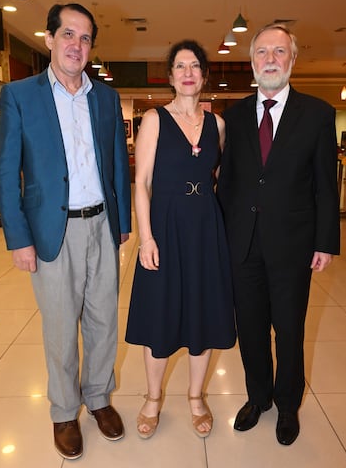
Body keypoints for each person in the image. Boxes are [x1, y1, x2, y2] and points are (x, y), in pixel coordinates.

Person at [0, 3, 131, 459]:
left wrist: (123, 224)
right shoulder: (19, 95)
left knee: (103, 322)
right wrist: (18, 238)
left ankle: (98, 398)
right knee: (59, 328)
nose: (76, 44)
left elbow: (116, 166)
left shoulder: (105, 98)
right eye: (68, 34)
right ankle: (63, 411)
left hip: (101, 225)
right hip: (51, 231)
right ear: (49, 38)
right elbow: (9, 168)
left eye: (85, 37)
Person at [217, 23, 340, 446]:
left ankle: (287, 405)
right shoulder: (231, 118)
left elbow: (326, 184)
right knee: (250, 328)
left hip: (294, 245)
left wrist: (326, 241)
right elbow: (227, 182)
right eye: (263, 52)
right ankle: (258, 398)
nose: (270, 59)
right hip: (243, 244)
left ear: (292, 60)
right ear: (252, 62)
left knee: (289, 329)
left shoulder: (319, 114)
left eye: (279, 52)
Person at [125, 40, 236, 440]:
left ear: (204, 76)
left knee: (202, 312)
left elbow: (221, 178)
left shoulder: (218, 125)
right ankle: (153, 397)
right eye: (179, 66)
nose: (187, 72)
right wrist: (147, 238)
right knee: (160, 311)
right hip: (166, 226)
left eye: (195, 66)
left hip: (205, 227)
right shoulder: (154, 119)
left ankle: (195, 396)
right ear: (170, 76)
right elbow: (142, 183)